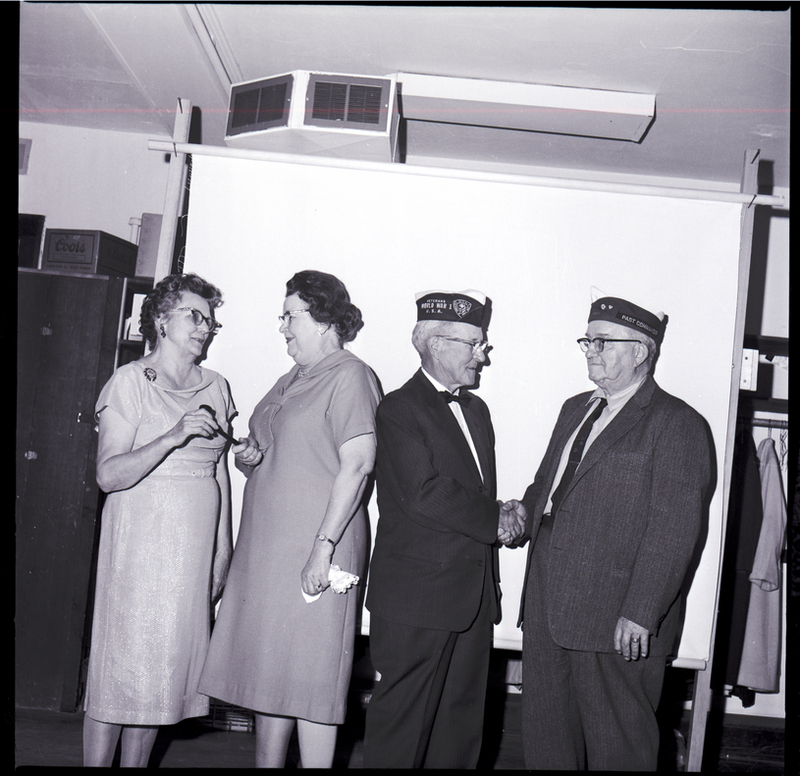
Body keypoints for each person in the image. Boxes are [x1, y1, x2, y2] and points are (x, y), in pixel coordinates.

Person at [514, 295, 713, 771]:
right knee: (546, 742)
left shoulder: (678, 423)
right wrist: (516, 514)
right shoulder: (574, 408)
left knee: (619, 749)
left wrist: (642, 611)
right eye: (587, 340)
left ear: (640, 351)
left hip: (616, 618)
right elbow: (548, 488)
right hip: (546, 604)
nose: (590, 350)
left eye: (603, 341)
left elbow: (674, 528)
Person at [198, 270, 380, 768]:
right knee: (270, 674)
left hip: (317, 546)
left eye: (290, 316)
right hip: (269, 551)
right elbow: (281, 449)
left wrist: (323, 548)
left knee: (311, 680)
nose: (282, 327)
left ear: (323, 319)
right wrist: (250, 456)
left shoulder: (350, 376)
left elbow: (358, 465)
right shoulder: (291, 379)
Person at [363, 289, 526, 769]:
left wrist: (504, 511)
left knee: (459, 732)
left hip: (471, 599)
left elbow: (470, 493)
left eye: (483, 344)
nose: (483, 356)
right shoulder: (399, 408)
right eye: (474, 344)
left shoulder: (477, 411)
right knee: (401, 735)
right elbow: (423, 493)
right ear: (435, 343)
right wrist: (496, 519)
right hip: (417, 601)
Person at [82, 273, 236, 767]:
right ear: (162, 320)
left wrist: (223, 550)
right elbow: (108, 475)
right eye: (195, 316)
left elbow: (219, 473)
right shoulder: (130, 381)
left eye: (210, 321)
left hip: (191, 553)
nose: (205, 327)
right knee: (120, 667)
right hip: (139, 545)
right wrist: (172, 436)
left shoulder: (217, 386)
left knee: (160, 675)